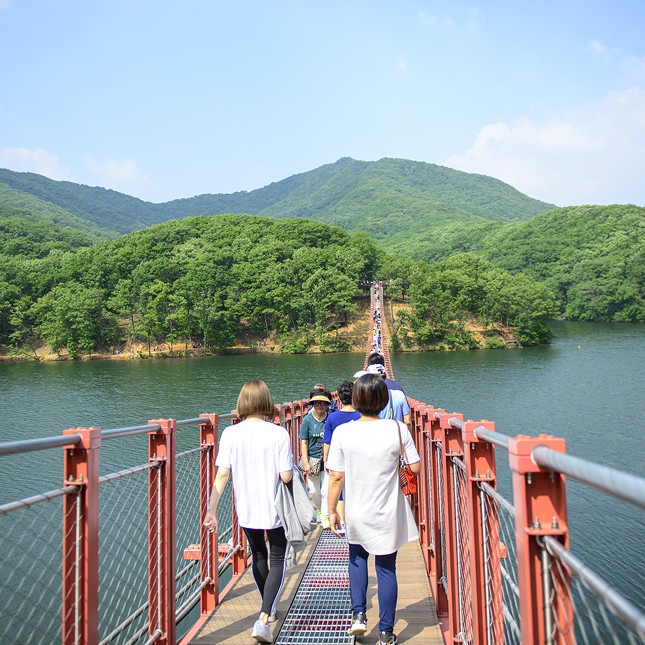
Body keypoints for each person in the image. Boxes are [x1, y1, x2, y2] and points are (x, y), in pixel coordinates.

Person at [327, 374, 421, 645]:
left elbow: (336, 477)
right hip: (388, 511)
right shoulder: (397, 429)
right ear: (384, 399)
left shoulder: (343, 432)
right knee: (386, 568)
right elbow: (415, 468)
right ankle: (386, 633)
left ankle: (358, 616)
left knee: (357, 558)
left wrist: (332, 510)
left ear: (355, 399)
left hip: (356, 509)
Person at [204, 380, 293, 644]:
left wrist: (211, 510)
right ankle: (264, 616)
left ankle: (268, 606)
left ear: (242, 402)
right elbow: (286, 476)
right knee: (277, 558)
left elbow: (222, 475)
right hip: (275, 508)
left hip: (246, 508)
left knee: (258, 555)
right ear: (267, 401)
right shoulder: (279, 433)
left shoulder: (230, 434)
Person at [320, 380, 361, 529]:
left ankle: (342, 523)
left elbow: (327, 442)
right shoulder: (361, 415)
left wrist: (326, 460)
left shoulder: (332, 417)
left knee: (340, 492)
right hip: (357, 458)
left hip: (338, 458)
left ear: (338, 398)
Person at [299, 391, 329, 522]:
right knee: (314, 491)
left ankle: (326, 517)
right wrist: (306, 463)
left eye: (323, 403)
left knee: (326, 491)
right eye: (317, 403)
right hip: (312, 460)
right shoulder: (307, 420)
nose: (320, 405)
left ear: (327, 404)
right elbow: (304, 443)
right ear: (313, 405)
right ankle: (320, 509)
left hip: (328, 461)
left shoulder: (330, 419)